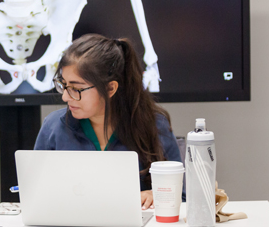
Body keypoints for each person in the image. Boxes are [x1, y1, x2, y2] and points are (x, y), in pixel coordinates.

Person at [34, 34, 183, 209]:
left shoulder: (154, 125)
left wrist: (156, 195)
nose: (66, 96)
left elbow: (182, 196)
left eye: (76, 89)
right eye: (63, 84)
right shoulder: (53, 127)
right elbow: (33, 194)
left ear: (110, 88)